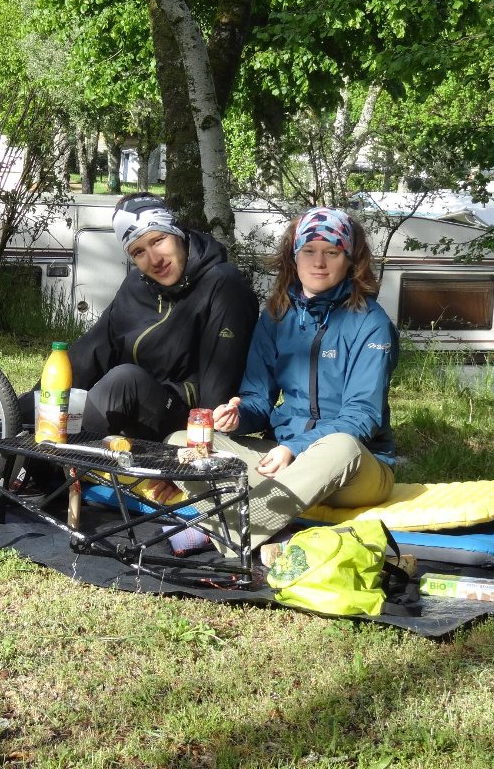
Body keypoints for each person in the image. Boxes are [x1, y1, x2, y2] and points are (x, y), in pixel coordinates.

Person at [163, 207, 399, 553]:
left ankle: (232, 536)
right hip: (286, 460)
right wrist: (237, 416)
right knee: (180, 442)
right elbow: (258, 398)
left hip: (357, 468)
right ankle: (267, 536)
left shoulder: (371, 324)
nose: (319, 263)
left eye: (332, 252)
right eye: (309, 251)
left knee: (340, 446)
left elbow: (362, 417)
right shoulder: (276, 316)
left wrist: (296, 448)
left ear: (350, 260)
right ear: (294, 257)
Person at [18, 191, 259, 441]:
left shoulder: (223, 285)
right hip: (132, 408)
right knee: (74, 385)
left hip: (187, 421)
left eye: (158, 240)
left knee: (125, 380)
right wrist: (24, 409)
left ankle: (50, 467)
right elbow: (90, 353)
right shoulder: (137, 285)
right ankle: (18, 448)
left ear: (176, 232)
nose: (154, 260)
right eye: (138, 252)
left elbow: (218, 390)